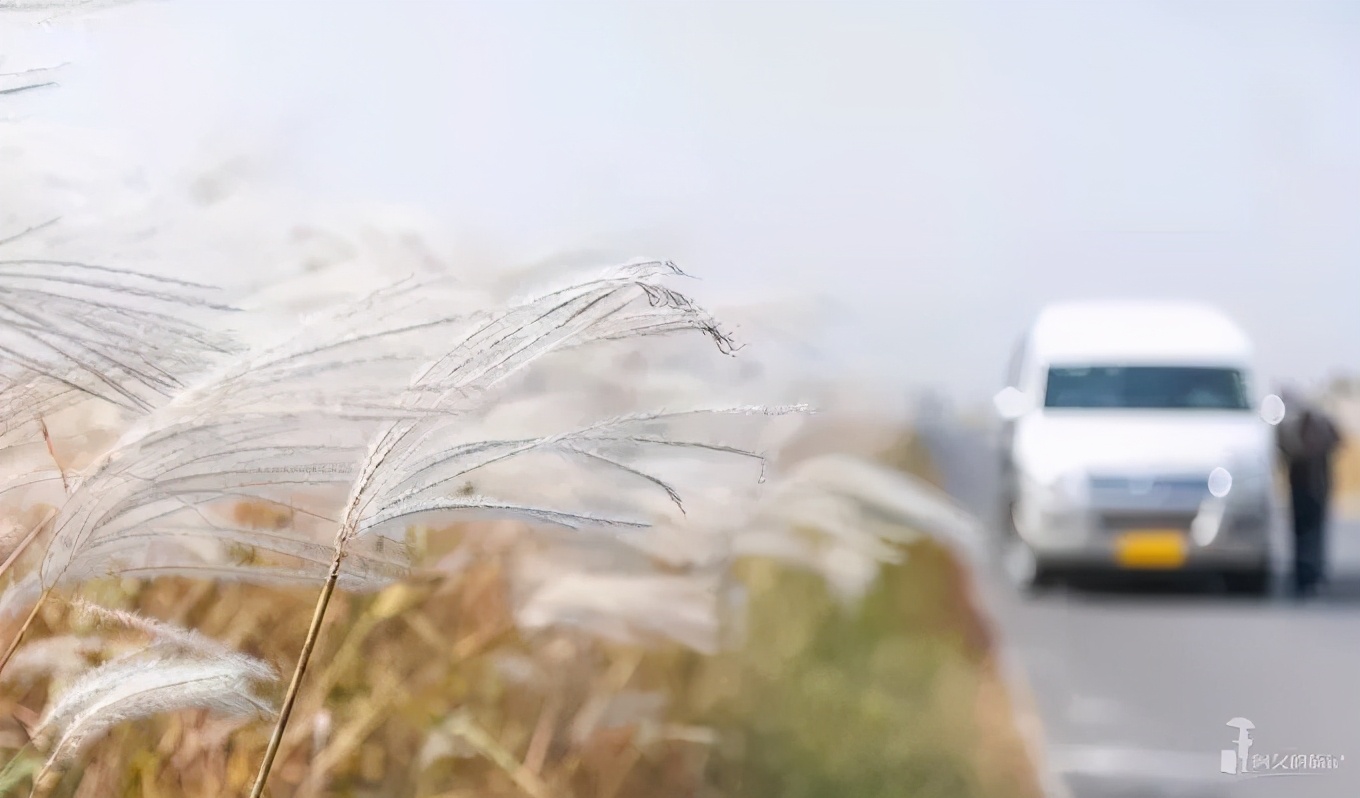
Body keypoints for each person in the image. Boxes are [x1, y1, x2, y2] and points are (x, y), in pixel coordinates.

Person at [1275, 388, 1343, 598]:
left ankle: (1309, 577)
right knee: (1307, 535)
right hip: (1306, 489)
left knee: (1309, 535)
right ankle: (1307, 577)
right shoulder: (1299, 427)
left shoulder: (1302, 427)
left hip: (1311, 489)